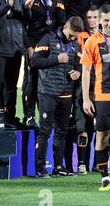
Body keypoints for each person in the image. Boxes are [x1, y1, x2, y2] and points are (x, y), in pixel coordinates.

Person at [31, 16, 83, 178]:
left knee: (62, 131)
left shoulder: (75, 43)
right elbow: (34, 62)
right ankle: (40, 169)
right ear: (66, 26)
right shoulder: (49, 38)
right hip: (47, 92)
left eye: (76, 35)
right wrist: (56, 59)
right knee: (45, 130)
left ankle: (58, 166)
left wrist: (78, 72)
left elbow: (79, 63)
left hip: (66, 93)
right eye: (72, 34)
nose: (74, 37)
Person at [81, 4, 110, 191]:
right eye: (105, 20)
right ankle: (105, 177)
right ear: (99, 20)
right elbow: (85, 71)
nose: (109, 24)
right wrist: (85, 98)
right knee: (102, 136)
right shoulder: (92, 41)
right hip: (103, 95)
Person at [22, 0, 66, 128]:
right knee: (33, 79)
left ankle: (48, 116)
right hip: (34, 43)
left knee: (49, 80)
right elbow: (24, 25)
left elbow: (61, 22)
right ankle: (29, 116)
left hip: (50, 44)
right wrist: (28, 46)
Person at [0, 0, 30, 128]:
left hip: (16, 46)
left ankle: (10, 117)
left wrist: (27, 9)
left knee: (11, 85)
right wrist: (6, 6)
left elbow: (25, 18)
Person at [75, 6, 99, 174]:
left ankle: (99, 163)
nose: (92, 20)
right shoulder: (80, 37)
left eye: (94, 17)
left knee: (101, 128)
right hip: (83, 89)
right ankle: (82, 163)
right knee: (83, 127)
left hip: (101, 89)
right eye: (89, 17)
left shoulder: (106, 37)